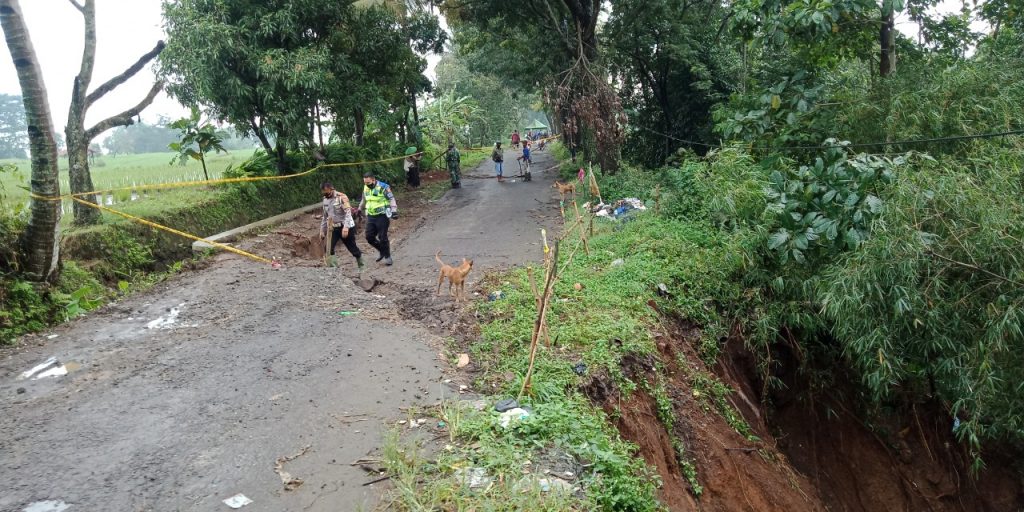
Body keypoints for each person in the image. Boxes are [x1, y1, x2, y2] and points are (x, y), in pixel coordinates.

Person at [356, 171, 398, 266]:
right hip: (371, 215)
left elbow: (391, 199)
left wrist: (394, 210)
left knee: (382, 237)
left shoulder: (383, 187)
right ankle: (382, 250)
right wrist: (359, 208)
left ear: (373, 180)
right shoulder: (365, 187)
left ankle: (387, 256)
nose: (366, 185)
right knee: (369, 237)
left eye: (368, 183)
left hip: (382, 215)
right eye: (365, 183)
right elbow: (364, 199)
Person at [319, 182, 364, 269]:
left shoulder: (341, 197)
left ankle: (362, 265)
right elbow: (325, 217)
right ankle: (334, 269)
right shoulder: (325, 200)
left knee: (352, 248)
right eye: (323, 192)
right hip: (333, 228)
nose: (325, 194)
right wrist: (322, 230)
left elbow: (348, 213)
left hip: (345, 226)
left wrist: (346, 227)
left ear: (331, 189)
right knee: (328, 248)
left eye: (327, 192)